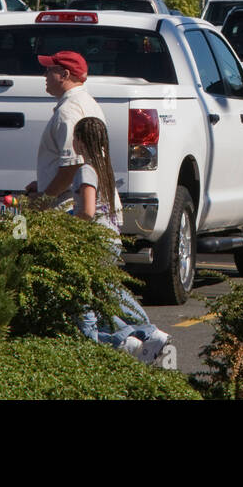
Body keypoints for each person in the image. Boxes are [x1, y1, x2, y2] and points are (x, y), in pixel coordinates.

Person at [71, 115, 171, 363]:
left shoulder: (86, 170)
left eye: (74, 137)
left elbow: (87, 211)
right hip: (110, 240)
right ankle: (136, 337)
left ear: (80, 141)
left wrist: (66, 225)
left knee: (89, 297)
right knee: (106, 292)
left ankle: (136, 336)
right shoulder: (104, 168)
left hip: (94, 241)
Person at [25, 50, 104, 205]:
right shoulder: (87, 103)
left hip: (69, 207)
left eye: (49, 70)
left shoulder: (68, 111)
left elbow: (72, 167)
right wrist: (44, 183)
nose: (44, 76)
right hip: (79, 200)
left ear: (65, 75)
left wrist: (44, 199)